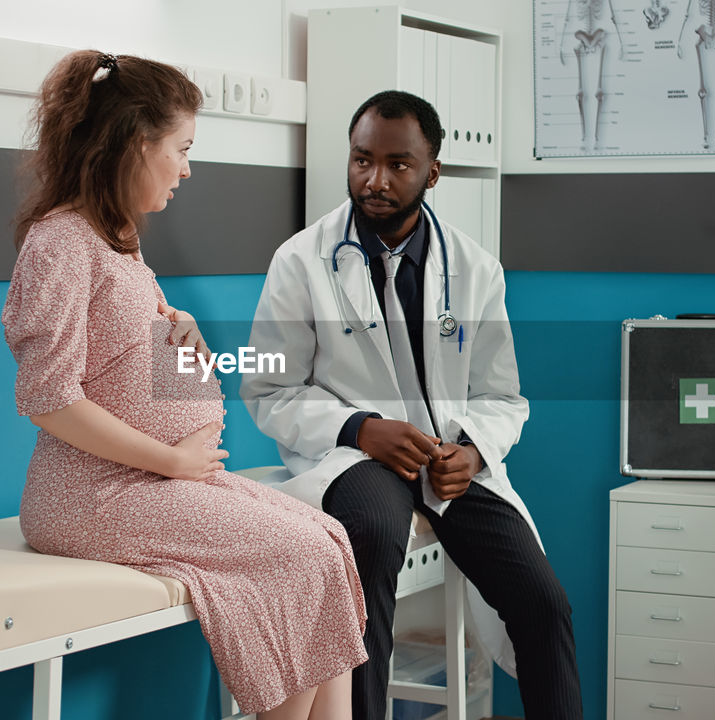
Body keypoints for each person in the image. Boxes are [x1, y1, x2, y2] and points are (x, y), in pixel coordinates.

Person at [2, 50, 366, 719]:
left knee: (328, 540)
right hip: (93, 494)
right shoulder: (59, 244)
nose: (188, 168)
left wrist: (183, 346)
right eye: (182, 148)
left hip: (152, 482)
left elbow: (128, 380)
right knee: (298, 556)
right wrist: (173, 459)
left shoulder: (118, 241)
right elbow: (49, 400)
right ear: (137, 144)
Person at [242, 91, 582, 719]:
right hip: (353, 457)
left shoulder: (475, 269)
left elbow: (502, 395)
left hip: (449, 460)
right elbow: (269, 387)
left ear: (433, 171)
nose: (375, 180)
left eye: (398, 164)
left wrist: (473, 449)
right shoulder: (300, 262)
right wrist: (360, 427)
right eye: (361, 160)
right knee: (368, 539)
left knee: (543, 602)